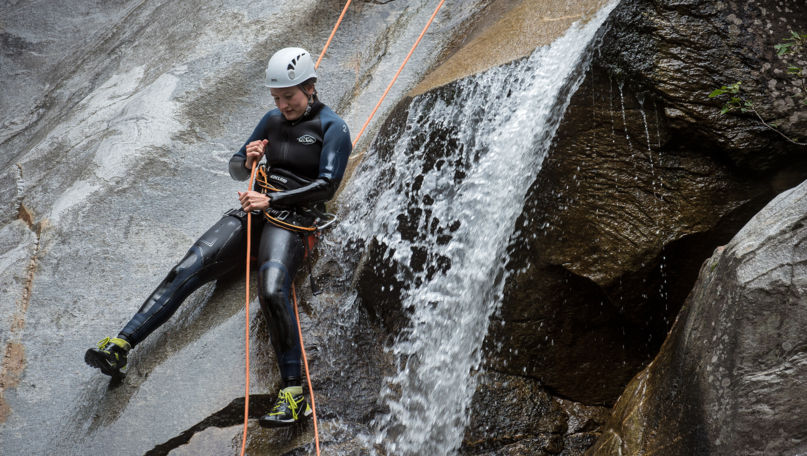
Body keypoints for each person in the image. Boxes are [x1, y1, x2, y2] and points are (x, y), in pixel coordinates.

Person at [84, 47, 352, 427]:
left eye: (288, 97)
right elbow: (235, 169)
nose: (282, 105)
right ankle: (122, 344)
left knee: (273, 288)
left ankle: (294, 394)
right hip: (256, 209)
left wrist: (272, 198)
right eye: (276, 98)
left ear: (310, 87)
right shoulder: (271, 120)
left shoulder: (332, 128)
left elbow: (326, 186)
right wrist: (247, 158)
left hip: (294, 219)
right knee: (190, 265)